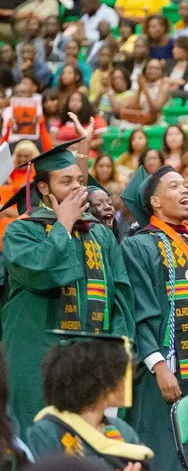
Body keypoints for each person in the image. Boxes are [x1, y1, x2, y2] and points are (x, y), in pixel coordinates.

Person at [0, 139, 134, 433]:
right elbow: (43, 272)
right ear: (44, 188)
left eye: (79, 181)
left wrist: (120, 352)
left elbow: (120, 297)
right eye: (66, 181)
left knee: (92, 443)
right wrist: (63, 225)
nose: (77, 188)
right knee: (40, 439)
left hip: (93, 360)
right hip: (37, 360)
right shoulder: (21, 231)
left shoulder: (99, 234)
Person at [120, 165, 188, 470]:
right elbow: (137, 309)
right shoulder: (138, 245)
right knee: (163, 453)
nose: (186, 190)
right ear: (155, 201)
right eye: (175, 186)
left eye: (187, 186)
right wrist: (158, 365)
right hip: (164, 371)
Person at [26, 331, 153, 470]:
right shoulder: (48, 432)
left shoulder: (122, 431)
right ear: (98, 380)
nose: (126, 381)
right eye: (120, 374)